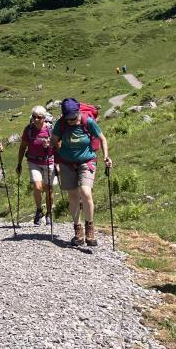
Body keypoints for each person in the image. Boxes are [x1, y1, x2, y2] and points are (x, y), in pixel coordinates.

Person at [51, 97, 111, 247]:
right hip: (66, 163)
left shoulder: (87, 122)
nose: (71, 121)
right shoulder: (61, 123)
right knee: (73, 196)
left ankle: (90, 229)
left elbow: (102, 138)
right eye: (68, 118)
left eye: (73, 118)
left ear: (78, 113)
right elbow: (54, 139)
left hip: (87, 161)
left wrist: (106, 156)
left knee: (85, 192)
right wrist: (54, 148)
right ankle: (78, 230)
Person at [16, 106, 55, 226]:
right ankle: (39, 211)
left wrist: (50, 146)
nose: (36, 119)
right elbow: (23, 147)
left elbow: (58, 146)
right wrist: (19, 164)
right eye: (34, 117)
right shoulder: (28, 130)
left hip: (49, 161)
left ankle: (49, 213)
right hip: (34, 162)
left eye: (39, 117)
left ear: (44, 118)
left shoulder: (50, 130)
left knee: (49, 189)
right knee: (37, 187)